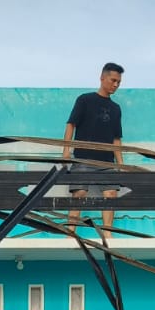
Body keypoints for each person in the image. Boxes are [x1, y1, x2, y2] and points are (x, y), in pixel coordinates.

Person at [62, 63, 125, 232]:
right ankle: (71, 232)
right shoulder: (85, 100)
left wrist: (121, 164)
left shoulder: (116, 108)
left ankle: (107, 233)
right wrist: (66, 151)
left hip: (107, 162)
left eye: (119, 82)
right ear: (102, 77)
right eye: (113, 80)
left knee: (111, 194)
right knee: (79, 193)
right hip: (83, 158)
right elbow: (71, 125)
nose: (116, 85)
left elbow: (116, 139)